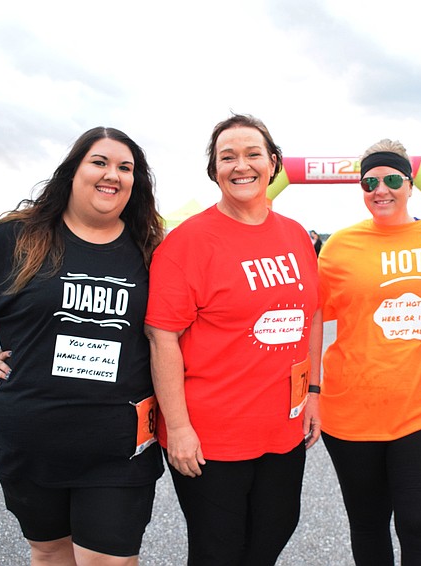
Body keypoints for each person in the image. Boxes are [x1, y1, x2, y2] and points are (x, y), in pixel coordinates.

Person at [0, 127, 166, 565]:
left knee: (109, 559)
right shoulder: (19, 237)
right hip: (30, 437)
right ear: (73, 171)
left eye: (125, 168)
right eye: (100, 162)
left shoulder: (150, 249)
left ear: (135, 182)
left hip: (119, 443)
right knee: (50, 551)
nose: (113, 174)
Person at [145, 114, 322, 565]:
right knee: (218, 551)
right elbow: (162, 337)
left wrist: (314, 394)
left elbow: (314, 314)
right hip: (212, 437)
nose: (240, 165)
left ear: (273, 163)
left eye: (252, 154)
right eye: (227, 157)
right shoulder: (187, 243)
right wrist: (179, 428)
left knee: (276, 530)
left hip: (281, 429)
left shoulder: (297, 236)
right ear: (214, 171)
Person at [317, 139, 421, 565]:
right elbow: (310, 317)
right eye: (370, 182)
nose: (380, 190)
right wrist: (310, 390)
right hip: (351, 411)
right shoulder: (339, 247)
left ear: (409, 184)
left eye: (390, 179)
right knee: (367, 525)